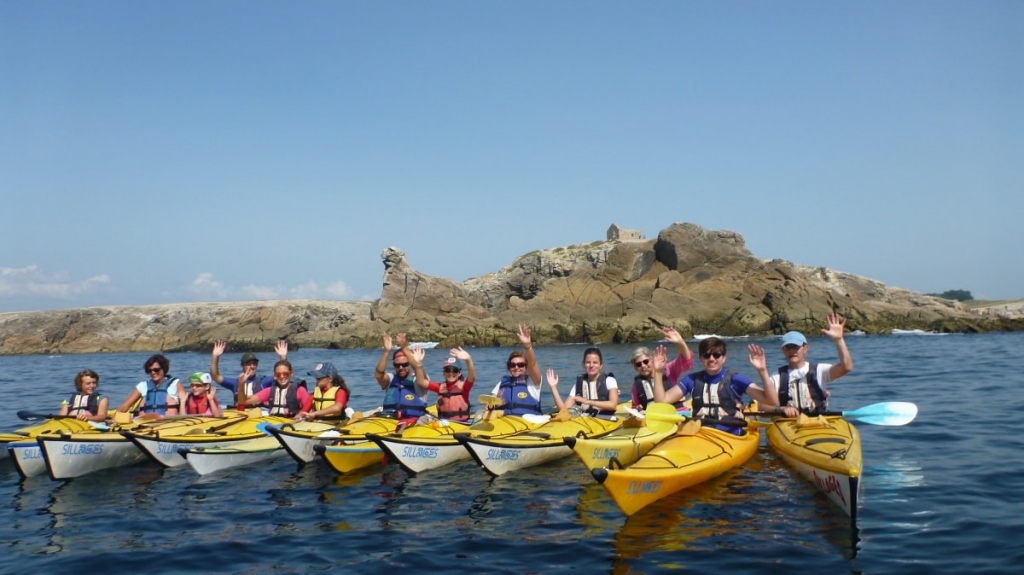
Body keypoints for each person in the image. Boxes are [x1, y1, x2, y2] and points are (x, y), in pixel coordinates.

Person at [651, 338, 779, 434]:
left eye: (717, 355)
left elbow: (771, 400)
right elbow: (661, 401)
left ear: (724, 358)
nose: (711, 359)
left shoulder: (736, 379)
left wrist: (762, 370)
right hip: (701, 433)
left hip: (730, 434)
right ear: (701, 358)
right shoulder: (691, 380)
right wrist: (658, 372)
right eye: (707, 355)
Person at [761, 313, 854, 417]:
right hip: (790, 423)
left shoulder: (820, 370)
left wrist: (839, 339)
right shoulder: (776, 377)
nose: (792, 351)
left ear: (805, 349)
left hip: (818, 420)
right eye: (788, 348)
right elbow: (762, 407)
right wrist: (780, 409)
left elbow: (846, 367)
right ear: (783, 351)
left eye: (796, 347)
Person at [630, 326, 694, 411]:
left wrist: (680, 342)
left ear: (652, 360)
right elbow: (635, 407)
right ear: (636, 368)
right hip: (655, 418)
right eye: (638, 364)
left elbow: (686, 360)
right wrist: (638, 409)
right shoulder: (636, 386)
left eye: (645, 361)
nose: (643, 366)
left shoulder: (668, 370)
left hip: (677, 413)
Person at [373, 333, 431, 424]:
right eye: (397, 365)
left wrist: (404, 347)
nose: (401, 368)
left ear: (410, 364)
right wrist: (386, 352)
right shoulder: (391, 379)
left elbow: (418, 369)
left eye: (404, 364)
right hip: (390, 421)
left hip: (413, 423)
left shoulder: (419, 379)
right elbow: (378, 375)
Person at [489, 325, 544, 416]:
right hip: (504, 421)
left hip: (528, 422)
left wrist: (527, 346)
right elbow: (490, 401)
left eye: (521, 365)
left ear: (526, 367)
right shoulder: (502, 383)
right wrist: (488, 406)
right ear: (508, 367)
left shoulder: (533, 381)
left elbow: (532, 364)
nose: (516, 367)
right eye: (512, 365)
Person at [413, 348, 477, 422]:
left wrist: (468, 360)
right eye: (448, 370)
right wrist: (418, 364)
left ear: (459, 373)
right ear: (444, 373)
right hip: (444, 424)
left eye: (454, 371)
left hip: (462, 424)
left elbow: (472, 377)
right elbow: (421, 382)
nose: (451, 373)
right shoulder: (440, 387)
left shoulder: (464, 387)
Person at [554, 347, 620, 418]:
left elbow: (613, 405)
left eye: (595, 362)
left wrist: (587, 401)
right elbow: (563, 410)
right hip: (585, 421)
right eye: (588, 362)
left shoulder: (609, 380)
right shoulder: (579, 384)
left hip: (606, 420)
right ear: (583, 365)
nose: (591, 365)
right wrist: (553, 387)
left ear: (601, 366)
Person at [209, 339, 290, 397]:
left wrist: (283, 356)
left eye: (254, 364)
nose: (252, 366)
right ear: (242, 366)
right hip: (240, 414)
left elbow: (282, 374)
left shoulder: (263, 382)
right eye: (248, 364)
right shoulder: (235, 383)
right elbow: (215, 376)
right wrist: (215, 357)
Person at [116, 354, 187, 420]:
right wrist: (114, 421)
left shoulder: (175, 384)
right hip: (145, 424)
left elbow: (184, 407)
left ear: (164, 369)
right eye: (150, 371)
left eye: (156, 370)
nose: (153, 372)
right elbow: (124, 406)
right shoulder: (142, 386)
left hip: (168, 423)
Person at [240, 359, 312, 417]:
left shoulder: (300, 390)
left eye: (285, 374)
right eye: (278, 374)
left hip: (292, 422)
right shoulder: (270, 391)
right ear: (274, 375)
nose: (282, 376)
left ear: (291, 373)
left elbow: (310, 410)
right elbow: (243, 401)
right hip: (274, 422)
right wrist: (241, 384)